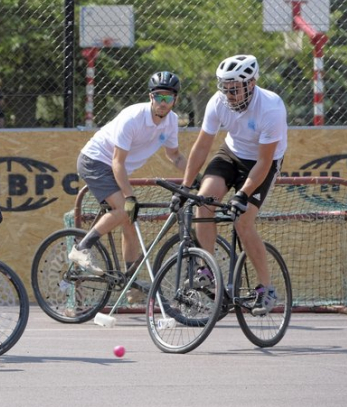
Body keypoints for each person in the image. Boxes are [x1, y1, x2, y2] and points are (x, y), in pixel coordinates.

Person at [173, 54, 287, 316]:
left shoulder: (270, 107)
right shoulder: (218, 102)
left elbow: (265, 160)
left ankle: (266, 288)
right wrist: (185, 187)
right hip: (231, 153)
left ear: (251, 84)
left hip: (261, 161)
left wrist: (243, 194)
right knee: (203, 202)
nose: (229, 94)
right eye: (225, 88)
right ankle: (207, 270)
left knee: (243, 221)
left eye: (234, 88)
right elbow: (202, 146)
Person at [68, 71, 188, 310]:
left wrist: (195, 178)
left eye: (169, 98)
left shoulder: (171, 121)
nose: (163, 103)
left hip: (114, 167)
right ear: (150, 97)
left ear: (175, 100)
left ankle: (130, 284)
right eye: (159, 97)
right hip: (96, 161)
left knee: (130, 221)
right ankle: (81, 249)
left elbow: (174, 155)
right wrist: (130, 196)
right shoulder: (132, 117)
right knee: (125, 209)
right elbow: (117, 162)